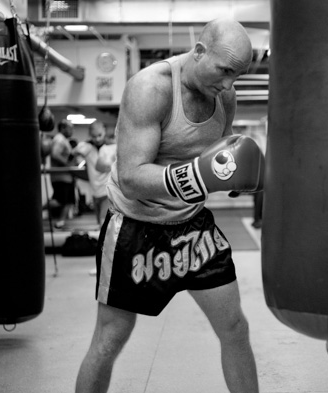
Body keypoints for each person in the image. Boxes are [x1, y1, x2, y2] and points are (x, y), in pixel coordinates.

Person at [75, 18, 261, 393]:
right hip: (134, 227)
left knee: (235, 329)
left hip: (192, 228)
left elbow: (219, 160)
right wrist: (197, 177)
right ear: (198, 51)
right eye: (224, 71)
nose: (228, 85)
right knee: (111, 337)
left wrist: (238, 177)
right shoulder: (151, 88)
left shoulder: (225, 96)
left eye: (236, 76)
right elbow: (130, 175)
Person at [72, 121, 117, 225]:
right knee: (99, 223)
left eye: (99, 135)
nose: (97, 139)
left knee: (104, 222)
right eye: (94, 136)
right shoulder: (86, 147)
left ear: (104, 132)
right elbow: (72, 156)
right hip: (95, 190)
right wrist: (77, 155)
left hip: (108, 190)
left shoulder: (112, 147)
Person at [49, 119, 76, 228]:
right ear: (63, 128)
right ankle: (34, 209)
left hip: (66, 176)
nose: (72, 131)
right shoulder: (59, 139)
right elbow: (55, 154)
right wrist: (67, 164)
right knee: (60, 201)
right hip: (60, 177)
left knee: (69, 201)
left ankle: (61, 222)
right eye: (70, 128)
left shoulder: (64, 140)